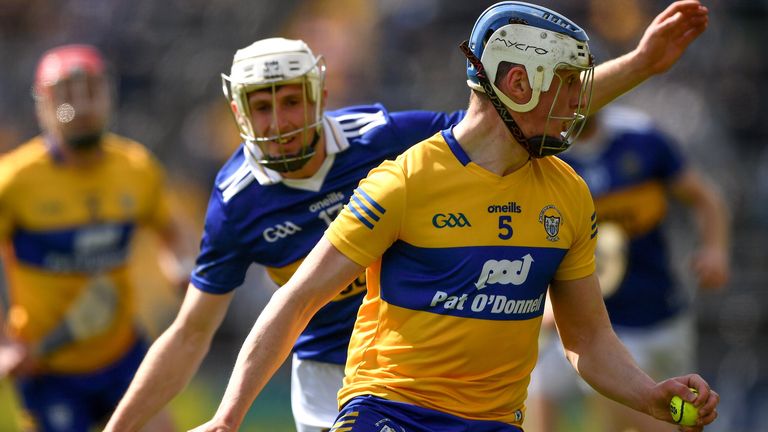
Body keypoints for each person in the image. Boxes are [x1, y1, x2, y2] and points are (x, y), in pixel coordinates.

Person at [106, 1, 712, 430]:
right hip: (365, 389)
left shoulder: (390, 141)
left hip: (488, 410)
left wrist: (640, 65)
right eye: (261, 106)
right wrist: (225, 417)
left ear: (319, 96)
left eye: (292, 99)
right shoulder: (376, 180)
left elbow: (588, 337)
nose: (280, 120)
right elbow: (210, 327)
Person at [0, 44, 187, 432]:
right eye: (67, 96)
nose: (81, 107)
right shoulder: (14, 181)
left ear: (108, 96)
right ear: (44, 105)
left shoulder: (137, 167)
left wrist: (180, 271)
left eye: (92, 92)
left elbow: (170, 232)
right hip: (49, 369)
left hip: (122, 356)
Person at [526, 105, 729, 432]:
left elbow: (705, 197)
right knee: (544, 386)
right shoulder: (542, 155)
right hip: (598, 325)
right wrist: (549, 303)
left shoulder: (642, 137)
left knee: (664, 417)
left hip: (659, 313)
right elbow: (537, 245)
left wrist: (715, 250)